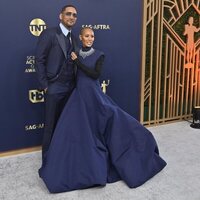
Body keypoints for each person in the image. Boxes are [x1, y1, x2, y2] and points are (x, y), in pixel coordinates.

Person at [38, 27, 167, 193]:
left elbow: (94, 74)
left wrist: (77, 62)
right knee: (75, 131)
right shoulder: (75, 50)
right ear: (81, 37)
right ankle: (72, 164)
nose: (90, 38)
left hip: (94, 95)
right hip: (78, 96)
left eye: (92, 36)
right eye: (87, 36)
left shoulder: (99, 54)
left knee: (111, 120)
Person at [35, 5, 79, 159]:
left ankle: (61, 158)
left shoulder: (74, 39)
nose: (71, 17)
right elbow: (39, 60)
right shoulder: (49, 34)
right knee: (50, 126)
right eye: (68, 14)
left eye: (74, 15)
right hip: (53, 87)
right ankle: (47, 161)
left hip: (70, 88)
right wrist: (45, 86)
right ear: (61, 16)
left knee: (65, 125)